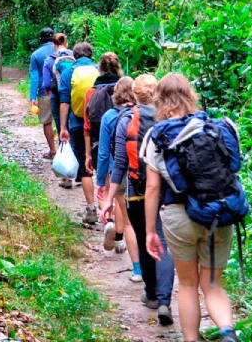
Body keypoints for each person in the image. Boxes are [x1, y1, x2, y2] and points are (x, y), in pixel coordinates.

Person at [144, 74, 240, 342]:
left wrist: (151, 231)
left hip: (179, 216)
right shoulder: (213, 127)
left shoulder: (158, 135)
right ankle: (227, 331)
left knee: (187, 284)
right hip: (218, 212)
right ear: (190, 95)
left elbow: (152, 188)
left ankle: (191, 339)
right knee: (213, 285)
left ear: (159, 99)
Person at [100, 74, 175, 326]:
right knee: (163, 242)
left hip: (136, 190)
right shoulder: (169, 118)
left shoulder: (126, 120)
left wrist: (109, 198)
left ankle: (151, 295)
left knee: (145, 242)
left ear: (134, 94)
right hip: (166, 192)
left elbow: (120, 162)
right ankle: (165, 301)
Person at [95, 77, 141, 283]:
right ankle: (122, 241)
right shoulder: (144, 114)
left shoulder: (109, 116)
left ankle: (138, 269)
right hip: (144, 174)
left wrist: (100, 181)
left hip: (119, 173)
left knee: (128, 217)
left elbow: (104, 152)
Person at [58, 42, 98, 222]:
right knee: (105, 167)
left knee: (84, 167)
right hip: (100, 125)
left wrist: (63, 127)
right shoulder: (99, 71)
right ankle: (110, 212)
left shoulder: (68, 73)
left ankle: (91, 210)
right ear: (91, 55)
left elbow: (64, 102)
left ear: (74, 56)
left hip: (77, 124)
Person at [29, 27, 57, 159]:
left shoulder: (36, 54)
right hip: (62, 91)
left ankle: (53, 151)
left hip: (44, 92)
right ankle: (68, 151)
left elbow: (34, 77)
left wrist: (32, 97)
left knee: (47, 122)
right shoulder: (62, 50)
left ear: (40, 39)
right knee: (64, 122)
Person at [42, 33, 73, 138]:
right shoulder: (74, 56)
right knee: (74, 126)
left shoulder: (49, 60)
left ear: (53, 45)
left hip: (56, 97)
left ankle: (63, 150)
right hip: (73, 95)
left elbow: (46, 84)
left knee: (61, 128)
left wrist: (48, 90)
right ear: (66, 43)